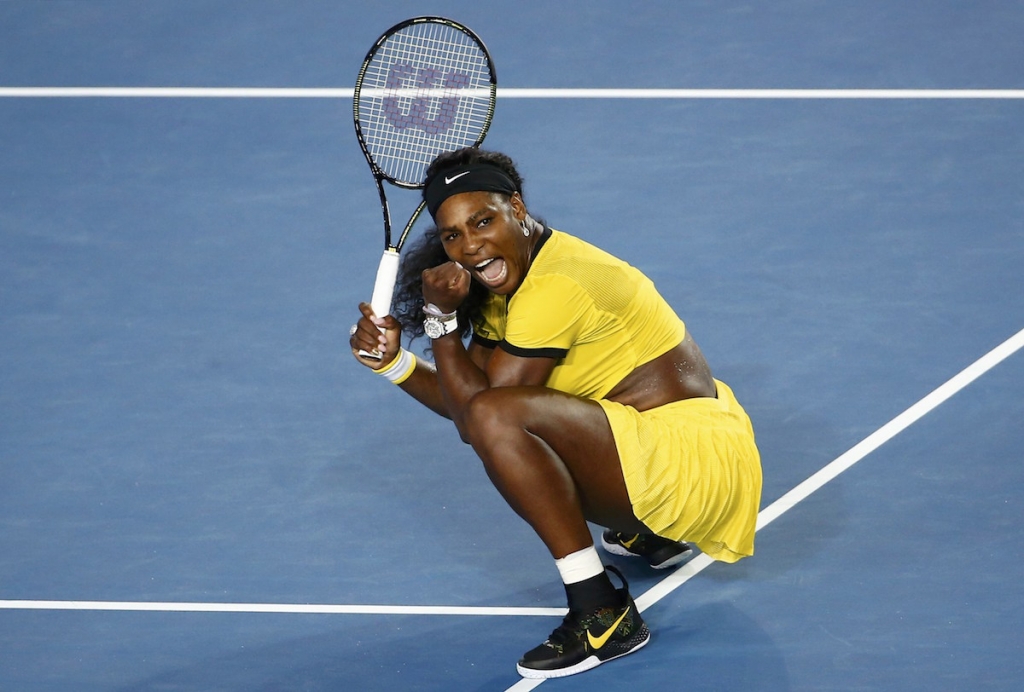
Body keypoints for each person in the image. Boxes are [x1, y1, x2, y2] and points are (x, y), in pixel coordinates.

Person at [349, 148, 763, 679]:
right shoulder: (512, 277)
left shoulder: (556, 284)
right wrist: (395, 364)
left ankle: (601, 611)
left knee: (501, 417)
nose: (471, 245)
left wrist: (439, 321)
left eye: (483, 220)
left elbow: (485, 417)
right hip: (673, 452)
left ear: (516, 208)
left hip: (695, 471)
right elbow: (467, 404)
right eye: (453, 235)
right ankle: (644, 531)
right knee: (501, 415)